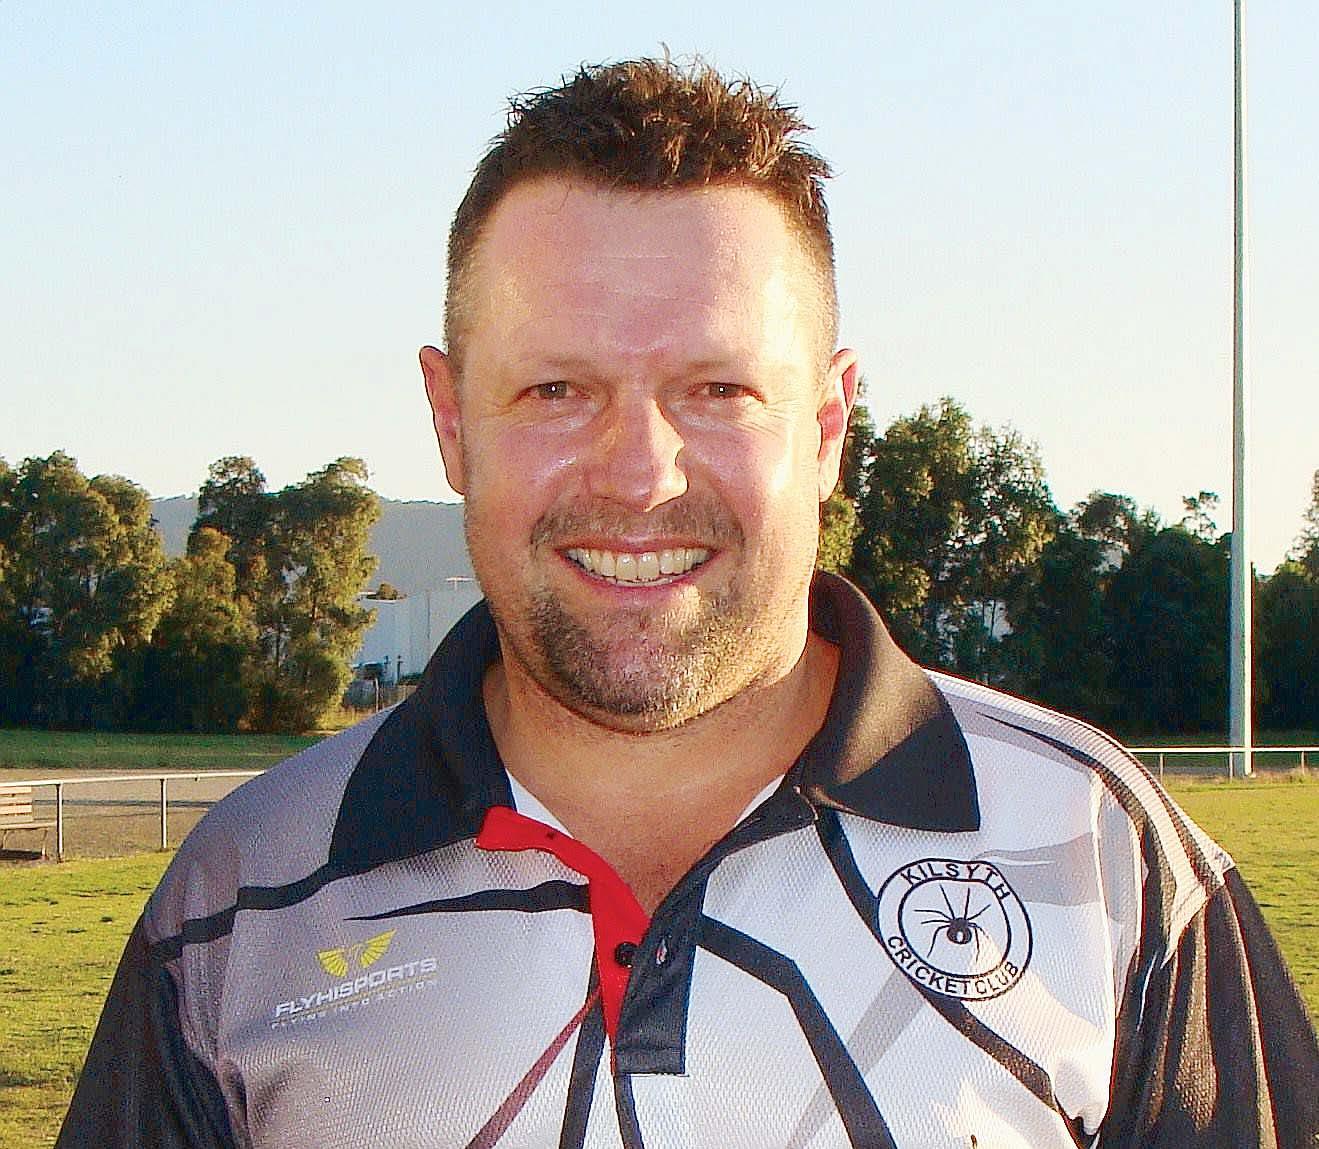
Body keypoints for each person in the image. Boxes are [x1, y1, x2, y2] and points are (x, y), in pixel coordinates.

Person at [59, 58, 1316, 1149]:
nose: (637, 474)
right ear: (449, 421)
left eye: (716, 390)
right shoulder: (243, 901)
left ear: (825, 426)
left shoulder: (1100, 856)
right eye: (556, 390)